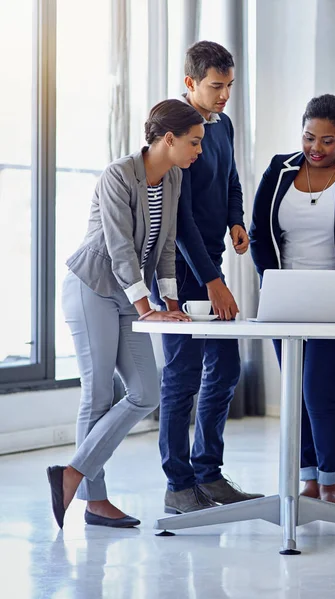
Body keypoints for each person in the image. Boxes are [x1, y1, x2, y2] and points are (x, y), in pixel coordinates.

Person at [46, 99, 204, 528]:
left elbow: (167, 245)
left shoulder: (171, 179)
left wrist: (170, 303)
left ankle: (72, 474)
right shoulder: (119, 174)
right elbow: (118, 246)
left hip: (129, 295)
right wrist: (146, 308)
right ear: (167, 139)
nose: (198, 151)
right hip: (92, 286)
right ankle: (95, 501)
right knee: (99, 394)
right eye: (193, 142)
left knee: (144, 394)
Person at [249, 94, 335, 503]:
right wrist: (271, 283)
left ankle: (330, 479)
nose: (316, 148)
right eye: (310, 137)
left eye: (328, 141)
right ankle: (308, 478)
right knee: (295, 390)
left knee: (320, 390)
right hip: (284, 297)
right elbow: (259, 232)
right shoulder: (279, 169)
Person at [155, 41, 263, 515]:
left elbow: (232, 179)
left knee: (225, 368)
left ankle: (208, 474)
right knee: (182, 378)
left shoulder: (224, 126)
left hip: (212, 261)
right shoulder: (178, 133)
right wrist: (213, 280)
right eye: (216, 86)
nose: (224, 96)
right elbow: (179, 221)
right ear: (190, 84)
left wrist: (237, 219)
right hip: (182, 272)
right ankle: (178, 485)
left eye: (229, 86)